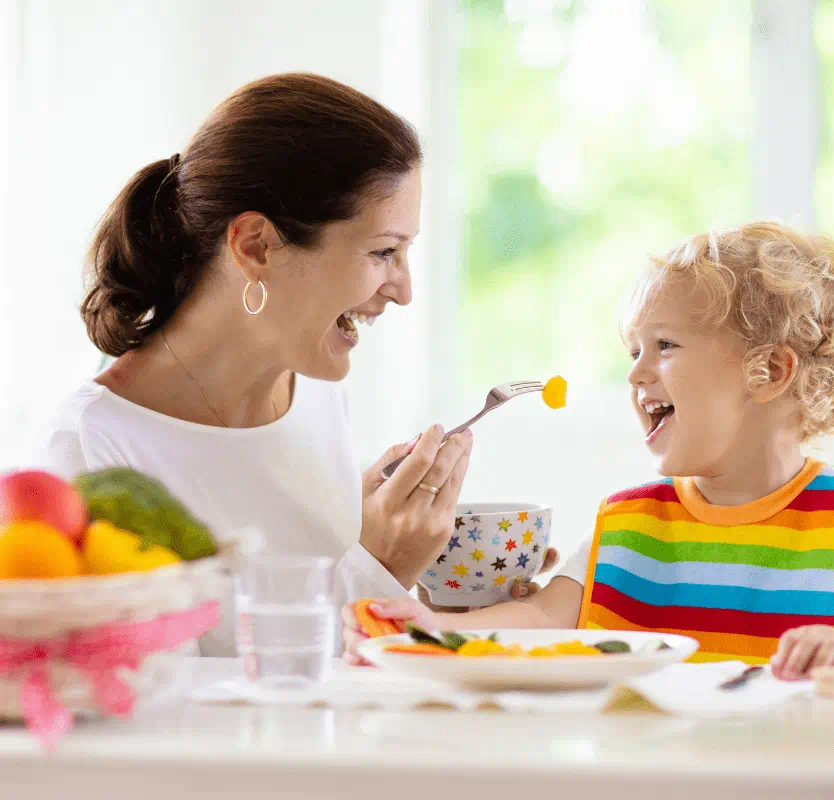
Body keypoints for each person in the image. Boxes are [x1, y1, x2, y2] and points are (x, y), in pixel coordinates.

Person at [36, 73, 551, 657]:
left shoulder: (316, 396)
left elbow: (343, 660)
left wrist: (442, 589)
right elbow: (163, 716)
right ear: (255, 244)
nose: (403, 290)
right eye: (383, 251)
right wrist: (378, 565)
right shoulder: (91, 448)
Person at [342, 221, 834, 680]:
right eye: (633, 350)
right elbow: (544, 619)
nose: (636, 375)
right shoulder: (629, 521)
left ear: (769, 370)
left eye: (664, 346)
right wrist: (431, 627)